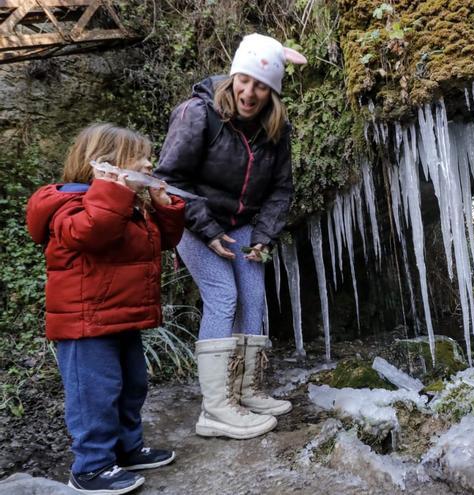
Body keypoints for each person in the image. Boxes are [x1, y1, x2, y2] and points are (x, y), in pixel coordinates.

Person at [155, 33, 306, 440]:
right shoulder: (197, 113)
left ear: (272, 92)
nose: (249, 92)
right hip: (194, 219)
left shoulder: (276, 129)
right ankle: (216, 409)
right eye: (245, 80)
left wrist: (263, 236)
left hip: (242, 226)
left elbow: (280, 189)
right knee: (223, 295)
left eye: (261, 86)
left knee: (253, 296)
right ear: (234, 76)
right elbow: (168, 181)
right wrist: (206, 229)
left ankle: (246, 391)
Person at [26, 123, 186, 494]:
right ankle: (91, 467)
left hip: (121, 317)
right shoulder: (69, 203)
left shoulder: (127, 208)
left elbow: (160, 243)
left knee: (132, 386)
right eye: (140, 158)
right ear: (106, 165)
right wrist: (112, 192)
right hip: (85, 323)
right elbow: (91, 233)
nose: (150, 164)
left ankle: (127, 450)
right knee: (95, 395)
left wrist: (164, 209)